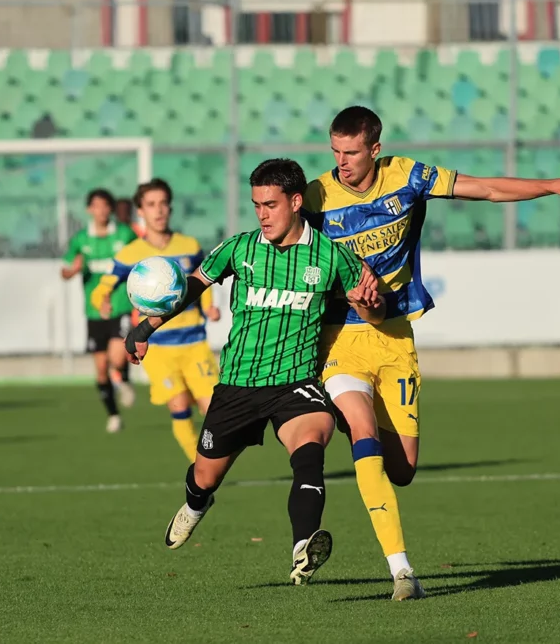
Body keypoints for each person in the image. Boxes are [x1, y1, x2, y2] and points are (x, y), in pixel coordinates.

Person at [303, 105, 560, 600]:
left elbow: (488, 188)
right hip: (340, 336)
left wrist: (555, 184)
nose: (341, 161)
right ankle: (402, 572)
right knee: (362, 429)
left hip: (396, 335)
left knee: (401, 469)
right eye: (335, 151)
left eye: (352, 152)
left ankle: (352, 420)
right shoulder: (316, 195)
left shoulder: (409, 176)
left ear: (375, 150)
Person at [125, 158, 383, 585]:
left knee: (311, 449)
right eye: (256, 205)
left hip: (296, 383)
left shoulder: (332, 256)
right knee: (204, 476)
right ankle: (196, 503)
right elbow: (191, 287)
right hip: (238, 386)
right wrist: (146, 325)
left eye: (270, 204)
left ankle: (303, 548)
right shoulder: (240, 248)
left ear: (296, 202)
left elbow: (376, 307)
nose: (261, 214)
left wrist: (371, 303)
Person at [92, 179, 221, 461]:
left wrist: (210, 307)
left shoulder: (189, 246)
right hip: (158, 347)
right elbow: (104, 285)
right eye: (151, 205)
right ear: (141, 210)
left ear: (170, 208)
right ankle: (199, 469)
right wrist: (101, 298)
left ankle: (213, 462)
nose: (159, 210)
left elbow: (204, 280)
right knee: (179, 406)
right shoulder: (131, 254)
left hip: (194, 342)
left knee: (214, 411)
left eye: (163, 203)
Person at [61, 189, 137, 433]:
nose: (101, 211)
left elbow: (142, 258)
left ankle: (124, 379)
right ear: (89, 210)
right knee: (101, 369)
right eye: (96, 206)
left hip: (120, 305)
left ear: (111, 209)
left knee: (117, 357)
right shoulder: (81, 240)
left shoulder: (125, 234)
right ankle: (114, 415)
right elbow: (64, 270)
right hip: (94, 311)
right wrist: (72, 271)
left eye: (106, 206)